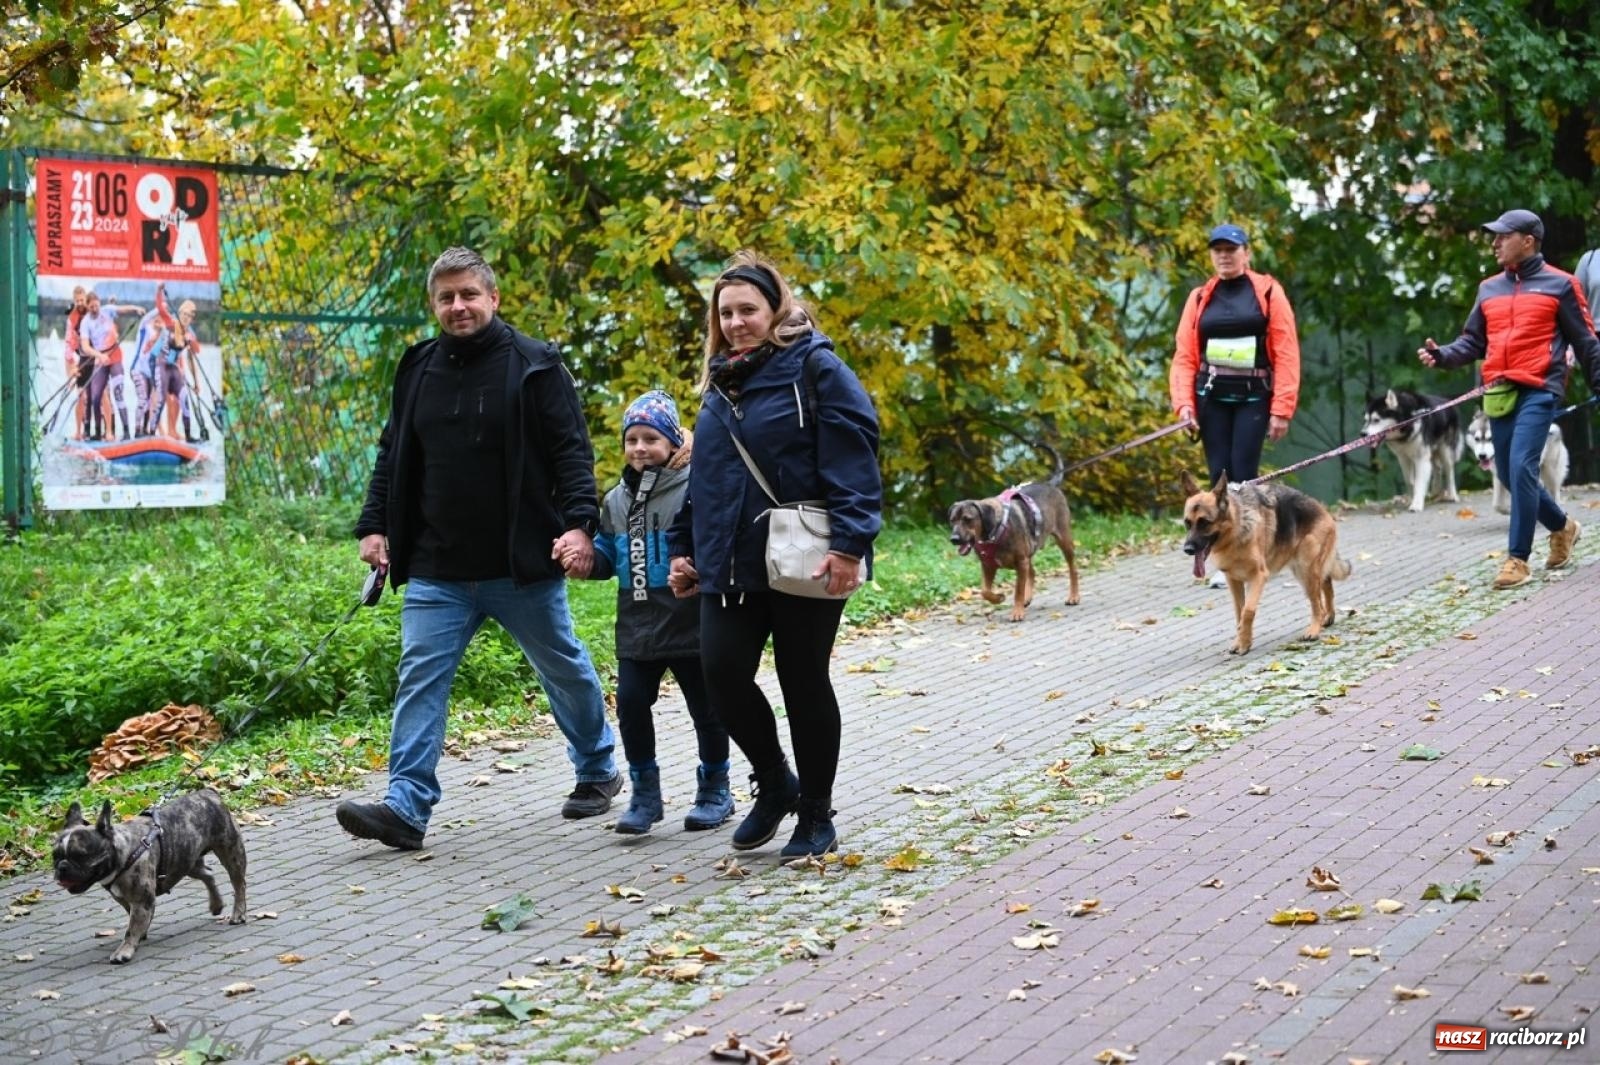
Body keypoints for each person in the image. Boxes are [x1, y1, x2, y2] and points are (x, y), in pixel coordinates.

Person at [339, 246, 620, 851]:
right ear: (433, 305)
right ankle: (406, 807)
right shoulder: (417, 367)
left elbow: (571, 452)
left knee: (562, 667)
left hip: (519, 565)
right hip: (437, 565)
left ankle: (598, 767)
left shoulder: (535, 365)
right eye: (446, 297)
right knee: (420, 677)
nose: (458, 306)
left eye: (469, 294)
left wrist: (580, 525)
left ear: (493, 297)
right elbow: (393, 453)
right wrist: (374, 525)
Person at [666, 251, 882, 858]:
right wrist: (683, 548)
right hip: (730, 558)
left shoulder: (814, 367)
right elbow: (705, 477)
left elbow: (854, 457)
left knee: (802, 680)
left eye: (748, 310)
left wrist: (850, 545)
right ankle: (776, 781)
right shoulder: (719, 382)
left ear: (775, 308)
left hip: (804, 553)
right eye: (725, 313)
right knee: (721, 674)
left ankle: (815, 811)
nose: (736, 323)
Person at [559, 390, 734, 835]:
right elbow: (608, 555)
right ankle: (644, 795)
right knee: (632, 705)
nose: (640, 448)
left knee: (707, 709)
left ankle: (716, 789)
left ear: (673, 442)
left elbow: (716, 540)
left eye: (651, 439)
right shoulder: (617, 500)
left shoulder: (695, 486)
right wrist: (586, 562)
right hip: (638, 624)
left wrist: (696, 565)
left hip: (689, 620)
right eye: (632, 439)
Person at [1419, 209, 1600, 589]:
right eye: (1495, 236)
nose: (1495, 243)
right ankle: (1563, 527)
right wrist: (1443, 355)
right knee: (1506, 472)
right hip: (1499, 392)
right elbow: (1473, 341)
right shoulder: (1489, 288)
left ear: (1528, 241)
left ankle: (1517, 559)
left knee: (1521, 466)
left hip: (1540, 388)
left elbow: (1586, 342)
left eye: (1503, 236)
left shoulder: (1561, 285)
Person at [1169, 223, 1302, 487]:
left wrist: (1282, 409)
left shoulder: (1268, 292)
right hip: (1211, 397)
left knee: (1244, 475)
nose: (1224, 256)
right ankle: (1223, 517)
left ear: (1246, 253)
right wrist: (1184, 403)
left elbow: (1286, 352)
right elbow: (1184, 356)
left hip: (1253, 396)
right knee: (1218, 476)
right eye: (1217, 250)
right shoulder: (1199, 297)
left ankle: (1249, 516)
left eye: (1231, 249)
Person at [79, 290, 144, 441]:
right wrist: (99, 355)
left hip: (115, 355)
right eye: (92, 307)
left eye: (97, 306)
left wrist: (136, 309)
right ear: (88, 306)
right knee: (95, 397)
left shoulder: (107, 311)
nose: (95, 309)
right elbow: (85, 347)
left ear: (99, 303)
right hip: (100, 358)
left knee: (118, 392)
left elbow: (123, 309)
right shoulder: (85, 322)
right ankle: (97, 433)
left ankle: (126, 432)